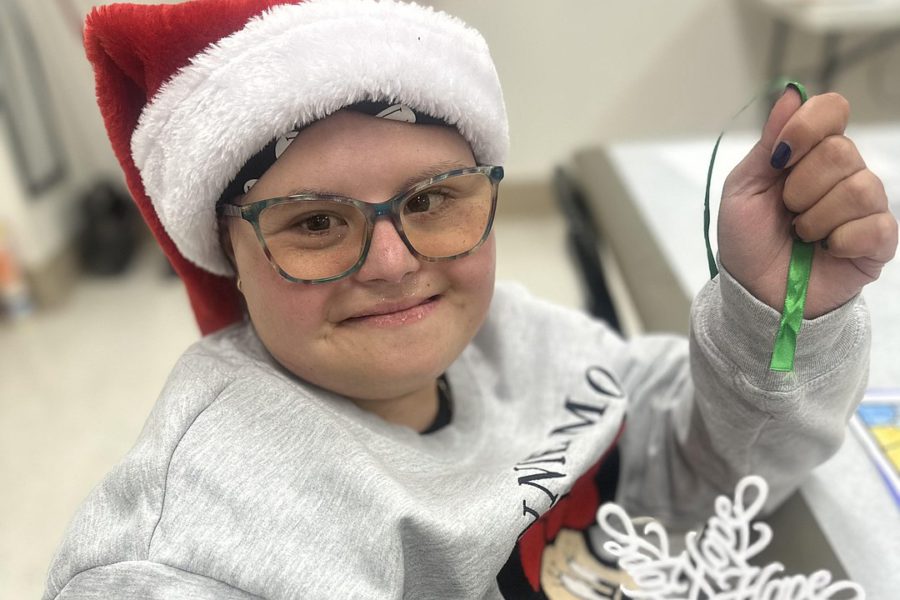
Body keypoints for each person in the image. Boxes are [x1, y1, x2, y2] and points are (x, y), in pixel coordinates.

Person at [44, 0, 897, 598]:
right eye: (315, 223)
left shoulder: (519, 339)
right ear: (228, 252)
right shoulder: (198, 538)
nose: (391, 264)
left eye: (430, 200)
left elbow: (707, 474)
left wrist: (777, 312)